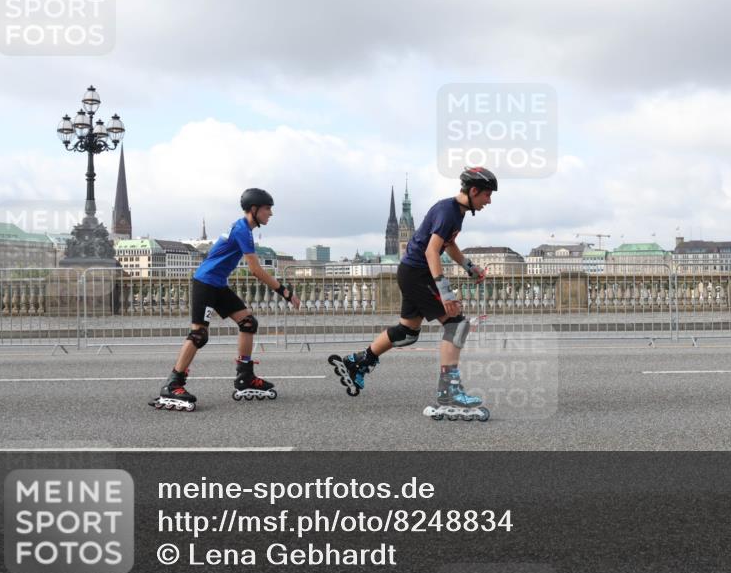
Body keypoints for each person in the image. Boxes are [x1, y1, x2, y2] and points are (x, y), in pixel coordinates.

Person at [329, 167, 497, 421]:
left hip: (412, 271)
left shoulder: (456, 212)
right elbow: (432, 252)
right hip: (418, 273)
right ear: (473, 191)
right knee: (457, 324)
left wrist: (469, 267)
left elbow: (448, 245)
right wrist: (446, 293)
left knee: (407, 332)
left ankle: (357, 362)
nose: (489, 201)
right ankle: (448, 392)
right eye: (487, 195)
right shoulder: (447, 211)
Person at [150, 188, 300, 411]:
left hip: (217, 284)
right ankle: (173, 383)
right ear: (254, 209)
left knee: (248, 322)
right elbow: (256, 270)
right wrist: (285, 292)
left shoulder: (243, 229)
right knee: (199, 334)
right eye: (268, 209)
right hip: (205, 283)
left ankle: (245, 376)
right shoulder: (242, 230)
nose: (271, 213)